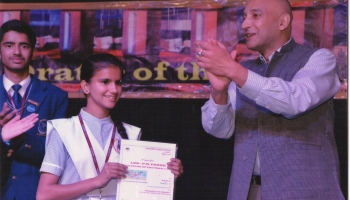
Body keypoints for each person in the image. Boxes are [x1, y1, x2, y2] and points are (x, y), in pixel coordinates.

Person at [196, 0, 344, 199]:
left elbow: (294, 101)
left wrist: (233, 69)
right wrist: (219, 92)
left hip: (305, 192)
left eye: (255, 16)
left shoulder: (320, 59)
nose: (245, 24)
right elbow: (220, 130)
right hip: (248, 191)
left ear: (282, 22)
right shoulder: (245, 70)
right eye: (244, 17)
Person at [36, 53, 183, 200]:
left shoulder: (131, 134)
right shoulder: (63, 130)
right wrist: (98, 181)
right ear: (85, 86)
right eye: (105, 82)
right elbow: (44, 195)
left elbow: (139, 193)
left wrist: (166, 177)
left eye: (118, 82)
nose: (114, 89)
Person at [0, 19, 69, 200]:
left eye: (24, 46)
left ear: (34, 53)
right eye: (9, 45)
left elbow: (57, 155)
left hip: (35, 194)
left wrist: (18, 140)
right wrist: (2, 137)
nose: (16, 51)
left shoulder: (56, 97)